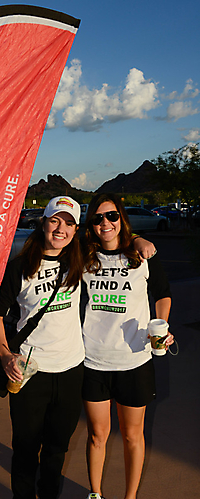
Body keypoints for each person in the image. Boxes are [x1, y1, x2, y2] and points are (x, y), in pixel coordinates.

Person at [0, 195, 156, 499]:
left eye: (68, 223)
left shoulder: (77, 258)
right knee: (26, 449)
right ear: (43, 223)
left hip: (71, 371)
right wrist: (4, 355)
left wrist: (136, 237)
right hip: (29, 372)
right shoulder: (20, 267)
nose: (60, 229)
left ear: (76, 230)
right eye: (55, 221)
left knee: (57, 449)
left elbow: (111, 234)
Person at [81, 193, 174, 499]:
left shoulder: (142, 256)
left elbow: (162, 293)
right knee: (97, 435)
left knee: (133, 436)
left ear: (121, 218)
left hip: (134, 361)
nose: (105, 223)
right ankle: (95, 494)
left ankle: (130, 497)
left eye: (111, 216)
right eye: (97, 218)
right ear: (90, 224)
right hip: (93, 360)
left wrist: (162, 325)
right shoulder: (83, 257)